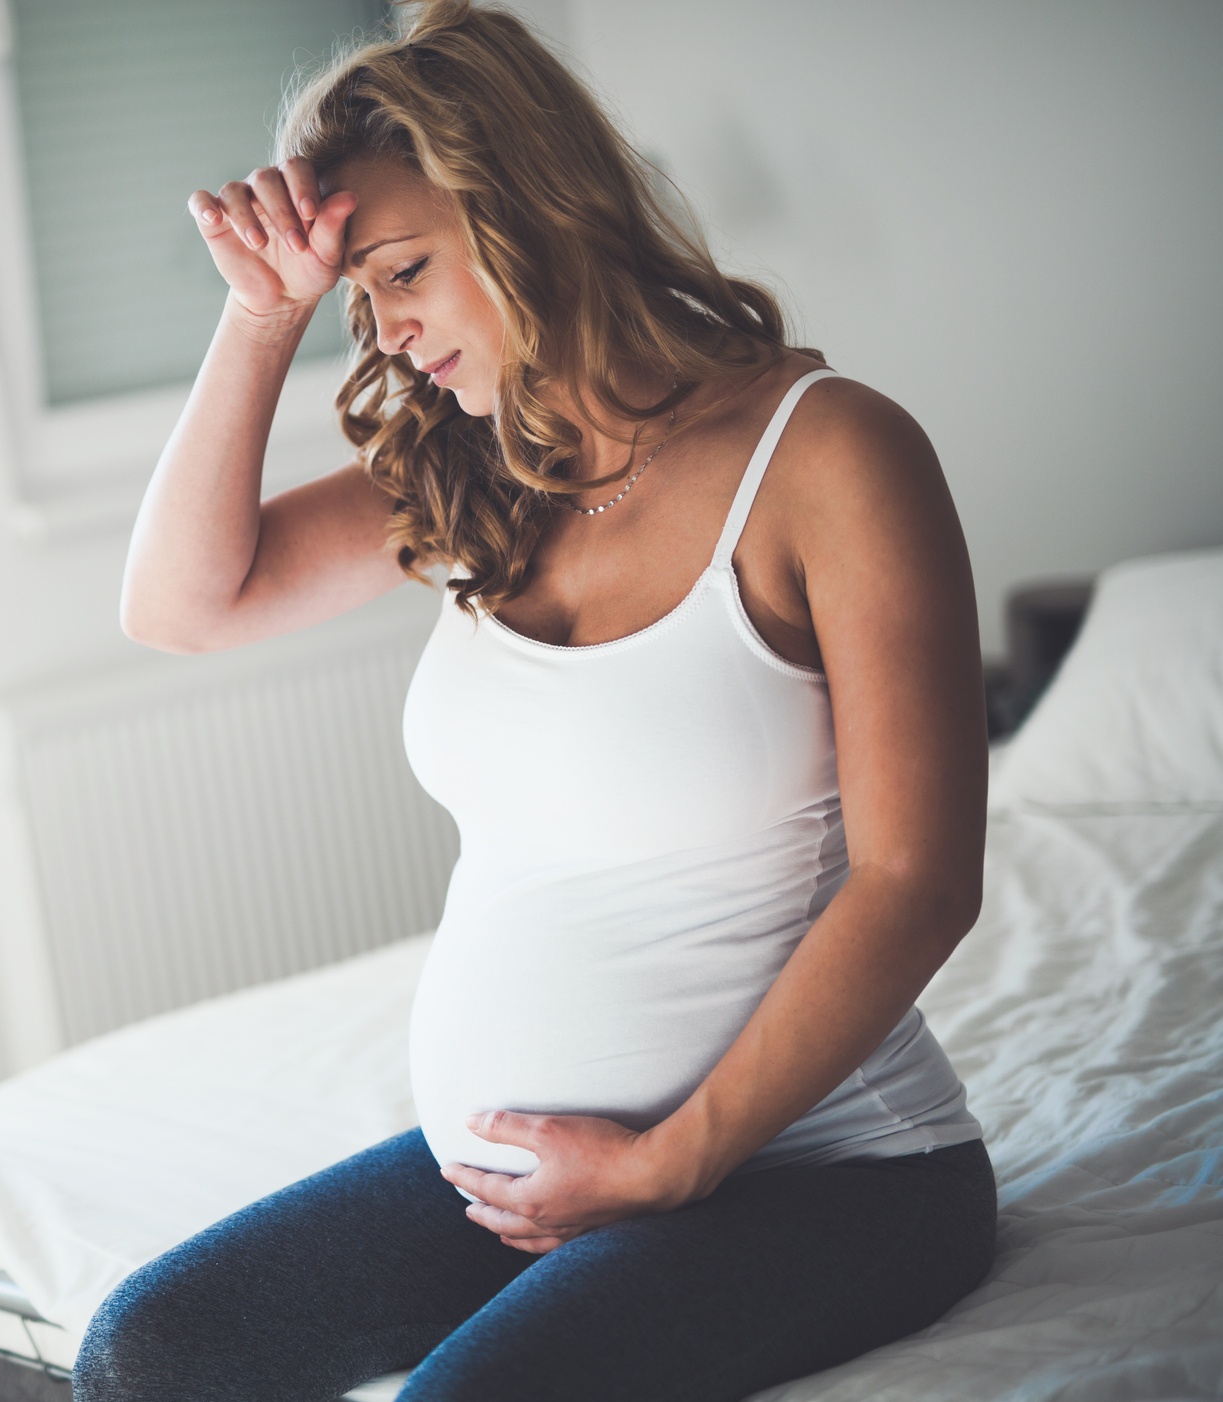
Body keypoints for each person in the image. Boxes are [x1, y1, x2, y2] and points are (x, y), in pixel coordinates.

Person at [72, 4, 997, 1400]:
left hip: (830, 1173)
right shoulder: (474, 462)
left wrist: (663, 1162)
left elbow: (922, 879)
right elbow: (180, 605)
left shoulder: (830, 457)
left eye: (400, 271)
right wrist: (264, 314)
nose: (382, 329)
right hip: (522, 1175)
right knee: (153, 1353)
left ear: (524, 209)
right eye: (356, 297)